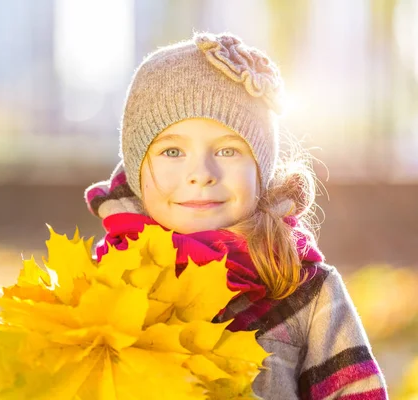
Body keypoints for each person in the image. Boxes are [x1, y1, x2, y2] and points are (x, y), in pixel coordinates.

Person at [84, 32, 388, 399]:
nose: (201, 173)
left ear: (261, 170)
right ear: (136, 169)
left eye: (228, 151)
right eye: (172, 152)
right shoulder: (103, 281)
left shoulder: (304, 288)